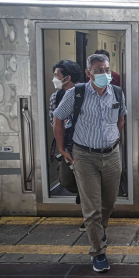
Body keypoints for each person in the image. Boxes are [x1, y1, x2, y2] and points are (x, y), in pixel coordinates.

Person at [53, 53, 126, 273]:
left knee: (109, 203)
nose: (104, 74)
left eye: (106, 70)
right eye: (98, 70)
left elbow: (121, 118)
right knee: (92, 208)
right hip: (84, 156)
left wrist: (114, 139)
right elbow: (58, 118)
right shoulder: (76, 93)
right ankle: (98, 252)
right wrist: (61, 148)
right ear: (88, 73)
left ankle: (99, 231)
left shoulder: (118, 93)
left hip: (112, 154)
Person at [48, 60, 85, 231]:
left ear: (67, 78)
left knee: (88, 183)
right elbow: (53, 122)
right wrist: (62, 148)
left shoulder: (85, 93)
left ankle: (89, 216)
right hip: (67, 146)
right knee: (65, 180)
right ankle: (85, 195)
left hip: (84, 146)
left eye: (57, 75)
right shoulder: (56, 97)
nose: (54, 78)